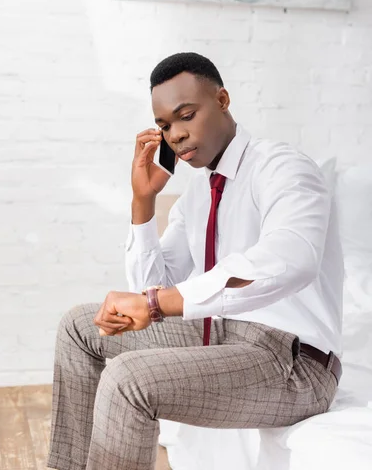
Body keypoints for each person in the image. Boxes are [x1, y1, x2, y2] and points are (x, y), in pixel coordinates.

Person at [47, 52, 344, 470]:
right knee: (80, 326)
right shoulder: (198, 196)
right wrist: (143, 201)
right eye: (165, 126)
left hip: (294, 364)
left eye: (186, 115)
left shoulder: (283, 167)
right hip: (223, 337)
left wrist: (155, 304)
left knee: (129, 378)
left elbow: (289, 260)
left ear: (222, 100)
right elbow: (152, 288)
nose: (177, 136)